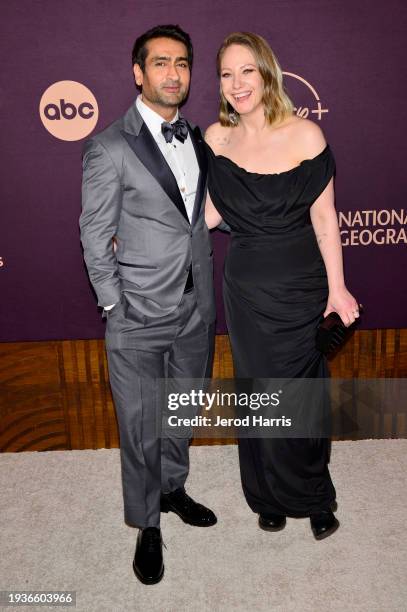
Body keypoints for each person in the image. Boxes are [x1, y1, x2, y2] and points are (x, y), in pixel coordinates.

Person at [205, 32, 359, 540]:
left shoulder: (306, 135)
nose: (237, 83)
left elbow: (324, 219)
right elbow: (202, 216)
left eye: (246, 70)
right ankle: (267, 494)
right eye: (227, 74)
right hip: (246, 291)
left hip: (300, 286)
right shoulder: (216, 139)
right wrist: (137, 238)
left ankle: (315, 495)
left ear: (267, 72)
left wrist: (337, 289)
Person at [80, 24, 217, 585]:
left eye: (182, 63)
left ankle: (173, 486)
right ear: (139, 73)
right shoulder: (110, 146)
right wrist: (115, 304)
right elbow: (94, 234)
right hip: (137, 311)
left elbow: (197, 219)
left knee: (184, 406)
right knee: (139, 425)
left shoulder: (199, 137)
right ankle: (147, 525)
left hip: (196, 306)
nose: (173, 73)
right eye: (160, 63)